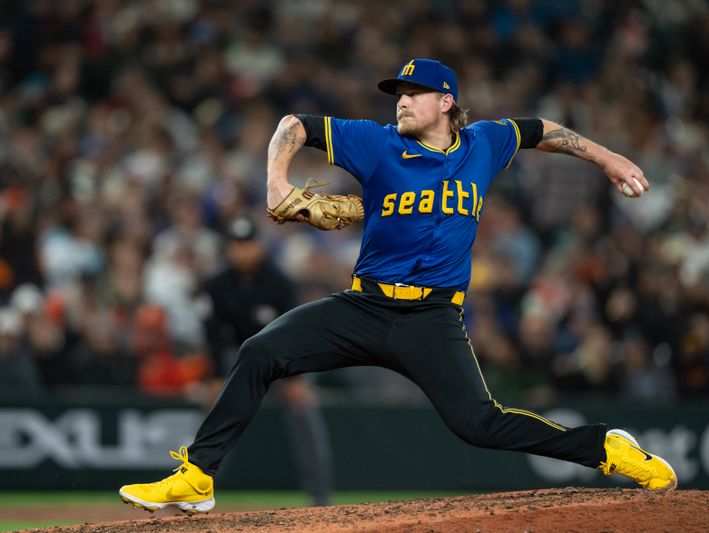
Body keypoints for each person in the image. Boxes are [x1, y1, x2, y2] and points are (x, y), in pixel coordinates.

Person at [119, 58, 677, 515]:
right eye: (398, 93)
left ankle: (604, 447)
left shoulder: (484, 143)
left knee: (478, 424)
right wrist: (275, 181)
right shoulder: (377, 143)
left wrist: (607, 158)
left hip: (432, 321)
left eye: (415, 92)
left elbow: (541, 132)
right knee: (260, 351)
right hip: (363, 307)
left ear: (446, 102)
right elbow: (294, 125)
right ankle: (197, 477)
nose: (402, 101)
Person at [201, 216, 332, 505]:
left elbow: (295, 333)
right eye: (237, 245)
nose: (243, 251)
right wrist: (214, 377)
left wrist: (294, 379)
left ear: (259, 246)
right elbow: (214, 335)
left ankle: (320, 496)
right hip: (239, 362)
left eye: (248, 244)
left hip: (279, 361)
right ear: (229, 249)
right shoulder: (217, 285)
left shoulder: (280, 282)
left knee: (304, 410)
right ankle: (196, 488)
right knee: (216, 416)